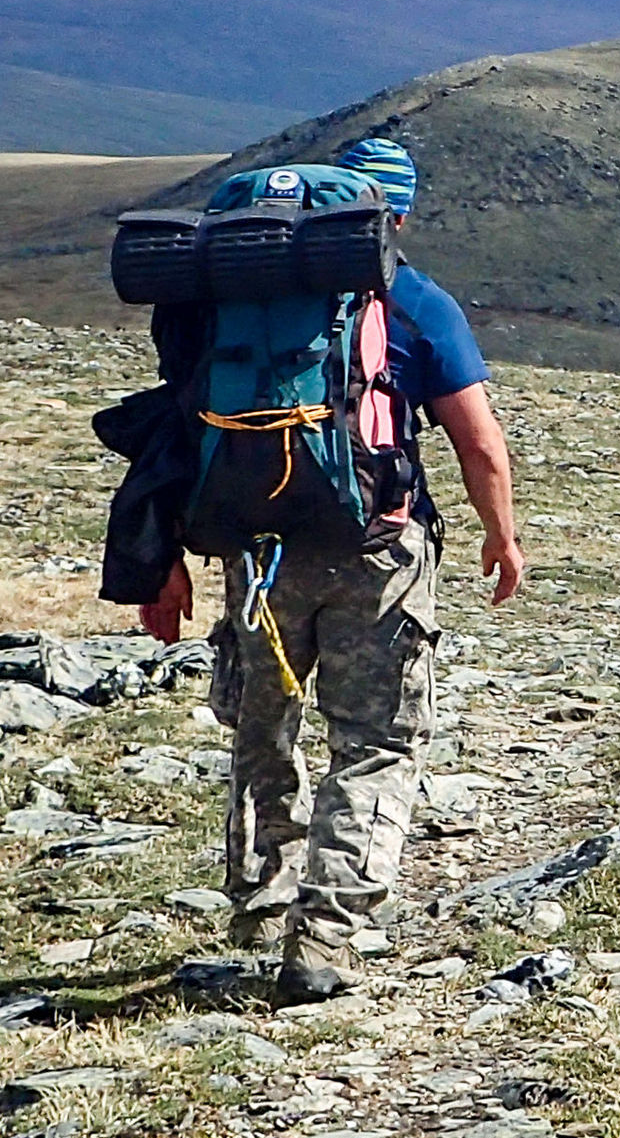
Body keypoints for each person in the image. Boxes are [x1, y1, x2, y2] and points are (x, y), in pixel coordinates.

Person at [132, 135, 525, 1002]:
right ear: (397, 216)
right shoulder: (415, 301)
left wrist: (163, 560)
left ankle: (262, 907)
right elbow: (479, 445)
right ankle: (330, 935)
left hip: (257, 553)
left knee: (261, 728)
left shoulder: (220, 299)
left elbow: (171, 435)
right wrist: (502, 535)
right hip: (375, 554)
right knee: (377, 741)